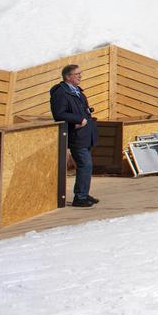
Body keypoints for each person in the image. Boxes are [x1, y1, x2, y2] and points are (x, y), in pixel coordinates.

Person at [50, 64, 99, 208]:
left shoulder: (77, 91)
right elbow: (59, 114)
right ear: (68, 77)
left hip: (85, 134)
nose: (80, 76)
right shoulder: (61, 93)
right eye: (77, 74)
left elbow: (83, 110)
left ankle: (83, 193)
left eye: (80, 73)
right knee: (85, 164)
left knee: (86, 166)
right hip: (75, 134)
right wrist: (78, 119)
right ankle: (80, 197)